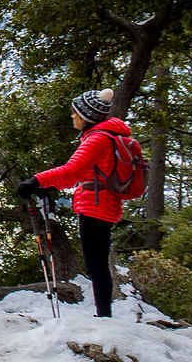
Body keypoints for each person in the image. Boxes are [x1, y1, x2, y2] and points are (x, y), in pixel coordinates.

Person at [16, 88, 134, 318]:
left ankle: (104, 316)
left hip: (95, 206)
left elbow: (72, 171)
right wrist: (49, 185)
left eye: (75, 113)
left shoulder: (97, 139)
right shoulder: (108, 136)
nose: (72, 116)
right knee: (98, 263)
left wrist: (36, 180)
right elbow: (86, 174)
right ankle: (104, 314)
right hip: (105, 203)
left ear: (86, 116)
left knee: (96, 264)